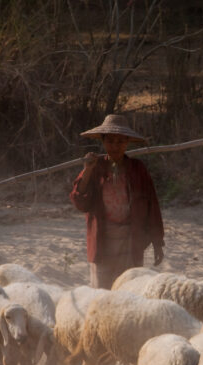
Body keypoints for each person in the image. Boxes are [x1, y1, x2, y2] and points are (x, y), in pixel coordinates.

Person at [70, 114, 164, 289]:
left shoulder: (138, 169)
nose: (115, 146)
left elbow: (152, 207)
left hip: (131, 239)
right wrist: (87, 170)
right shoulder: (95, 167)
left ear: (127, 142)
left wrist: (158, 243)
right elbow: (79, 201)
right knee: (101, 292)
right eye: (111, 141)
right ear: (103, 142)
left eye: (120, 142)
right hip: (102, 240)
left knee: (129, 290)